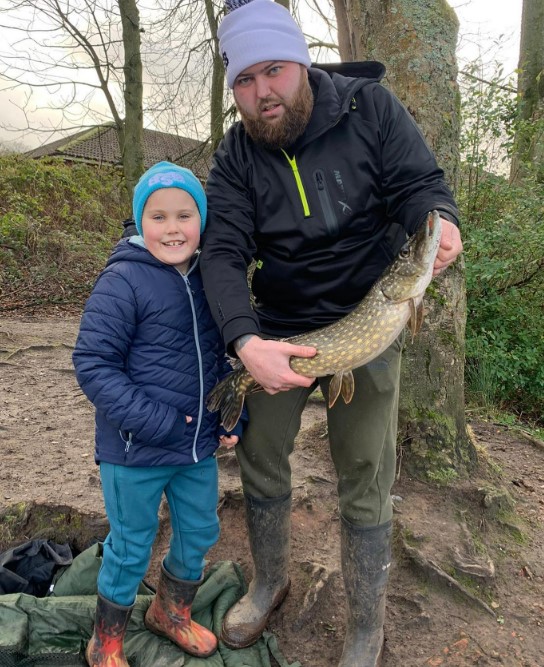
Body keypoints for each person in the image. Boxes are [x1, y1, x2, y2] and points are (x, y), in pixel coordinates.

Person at [199, 1, 464, 665]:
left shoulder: (368, 108)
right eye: (245, 79)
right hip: (280, 329)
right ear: (233, 88)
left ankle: (365, 624)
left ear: (302, 63)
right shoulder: (235, 157)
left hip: (370, 310)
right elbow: (223, 253)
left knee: (367, 470)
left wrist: (439, 218)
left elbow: (421, 185)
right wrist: (244, 341)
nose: (263, 91)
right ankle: (269, 581)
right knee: (260, 455)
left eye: (275, 70)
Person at [73, 161, 245, 667]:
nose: (173, 228)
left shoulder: (207, 281)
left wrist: (232, 416)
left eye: (185, 215)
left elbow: (219, 361)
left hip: (195, 450)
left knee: (199, 532)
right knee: (130, 545)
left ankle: (170, 612)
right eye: (158, 216)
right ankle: (105, 642)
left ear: (202, 220)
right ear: (139, 222)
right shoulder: (123, 281)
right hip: (135, 453)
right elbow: (92, 363)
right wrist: (156, 422)